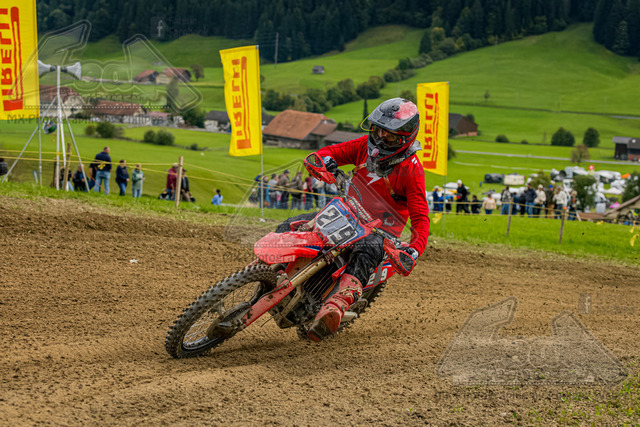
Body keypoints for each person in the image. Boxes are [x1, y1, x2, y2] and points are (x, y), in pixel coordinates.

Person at [279, 98, 429, 342]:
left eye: (390, 136)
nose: (380, 139)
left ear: (405, 139)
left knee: (366, 250)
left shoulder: (412, 171)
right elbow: (332, 152)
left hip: (380, 232)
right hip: (343, 212)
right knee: (292, 225)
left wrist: (414, 250)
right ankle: (268, 272)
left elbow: (421, 218)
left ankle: (336, 306)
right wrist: (321, 161)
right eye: (378, 130)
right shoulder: (363, 146)